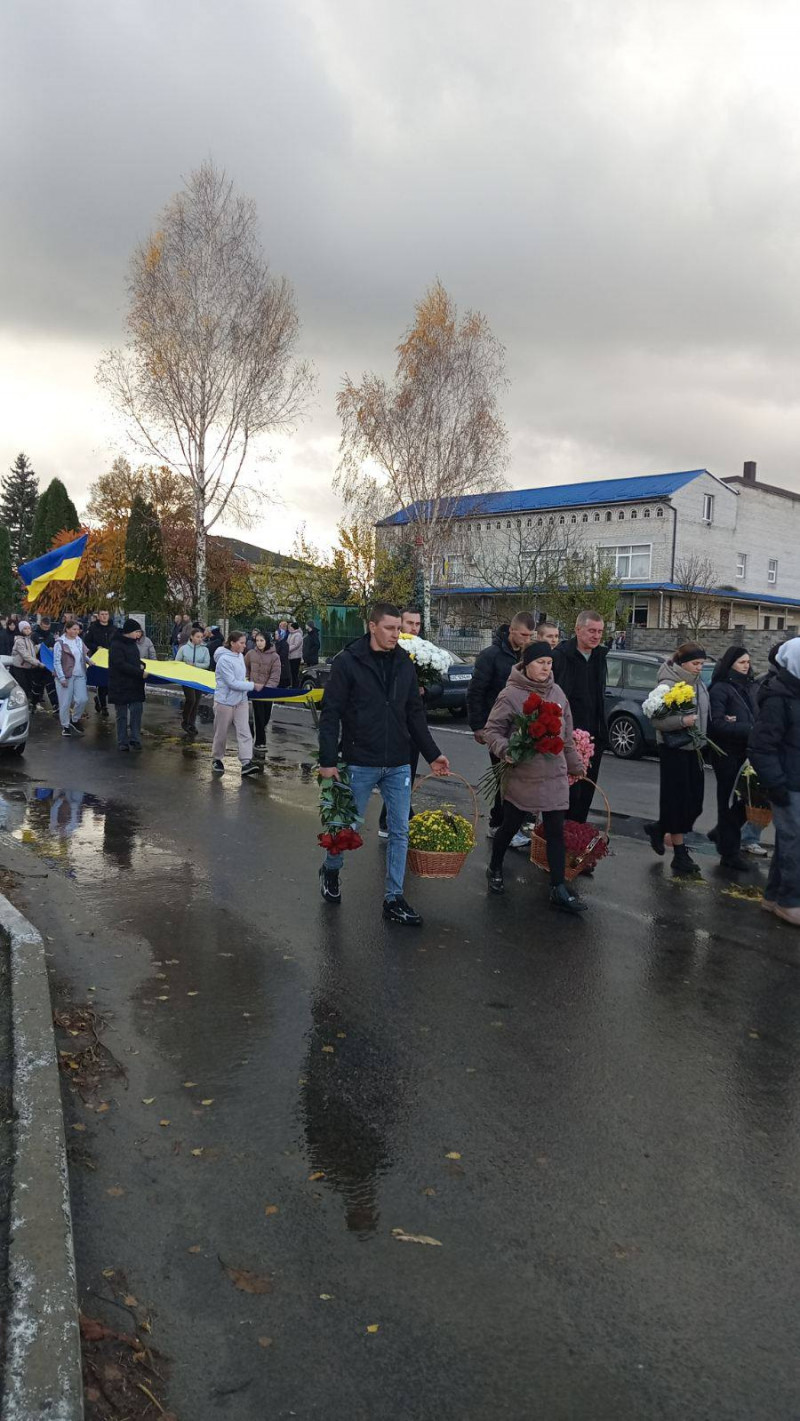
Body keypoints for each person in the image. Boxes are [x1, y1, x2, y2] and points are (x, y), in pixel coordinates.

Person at [317, 602, 449, 925]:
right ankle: (331, 870)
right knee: (346, 828)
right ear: (372, 626)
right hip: (359, 760)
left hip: (398, 763)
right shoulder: (348, 662)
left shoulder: (405, 663)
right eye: (390, 628)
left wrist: (433, 754)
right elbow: (331, 712)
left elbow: (414, 713)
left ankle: (393, 898)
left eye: (398, 629)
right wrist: (327, 761)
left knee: (400, 831)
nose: (396, 634)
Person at [483, 642, 588, 914]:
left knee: (555, 830)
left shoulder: (557, 693)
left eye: (549, 663)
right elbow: (492, 731)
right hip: (523, 774)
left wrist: (576, 765)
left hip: (554, 773)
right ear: (526, 663)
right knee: (510, 826)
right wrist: (506, 750)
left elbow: (566, 737)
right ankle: (495, 866)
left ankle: (558, 887)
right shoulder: (511, 694)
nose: (546, 667)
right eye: (540, 662)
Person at [467, 613, 536, 844]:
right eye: (524, 635)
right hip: (497, 728)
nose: (527, 639)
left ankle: (508, 825)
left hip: (521, 728)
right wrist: (478, 726)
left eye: (530, 636)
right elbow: (476, 691)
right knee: (503, 779)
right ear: (512, 631)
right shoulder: (491, 656)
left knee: (517, 780)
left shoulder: (525, 655)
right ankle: (498, 825)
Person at [643, 643, 711, 877]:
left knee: (695, 802)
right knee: (678, 801)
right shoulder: (668, 685)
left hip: (696, 749)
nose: (699, 668)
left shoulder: (698, 683)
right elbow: (656, 720)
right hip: (675, 750)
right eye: (695, 664)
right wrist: (682, 722)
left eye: (702, 664)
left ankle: (660, 827)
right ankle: (680, 854)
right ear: (683, 663)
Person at [748, 637, 800, 926]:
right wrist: (776, 784)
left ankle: (774, 897)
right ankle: (791, 901)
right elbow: (761, 746)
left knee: (789, 841)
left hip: (795, 779)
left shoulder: (794, 693)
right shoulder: (779, 698)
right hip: (787, 783)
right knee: (795, 842)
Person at [552, 610, 608, 823]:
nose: (596, 636)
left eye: (600, 632)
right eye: (591, 630)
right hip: (567, 736)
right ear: (577, 630)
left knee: (586, 790)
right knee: (566, 791)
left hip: (594, 737)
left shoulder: (600, 657)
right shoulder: (560, 656)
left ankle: (577, 836)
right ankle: (556, 837)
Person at [379, 606, 427, 838]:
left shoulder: (423, 651)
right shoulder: (389, 651)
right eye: (409, 624)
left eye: (417, 624)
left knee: (408, 770)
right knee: (394, 771)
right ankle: (391, 818)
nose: (413, 629)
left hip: (414, 723)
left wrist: (425, 689)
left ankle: (397, 815)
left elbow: (438, 685)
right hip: (392, 724)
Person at [709, 646, 758, 871]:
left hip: (746, 753)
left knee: (749, 799)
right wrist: (749, 728)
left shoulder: (749, 687)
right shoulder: (720, 689)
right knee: (728, 801)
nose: (746, 666)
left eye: (748, 662)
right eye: (741, 662)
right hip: (727, 753)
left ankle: (722, 833)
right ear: (730, 664)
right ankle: (729, 852)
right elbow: (717, 724)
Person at [211, 632, 263, 777]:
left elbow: (240, 679)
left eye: (244, 642)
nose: (244, 645)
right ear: (232, 643)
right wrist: (253, 686)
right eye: (241, 642)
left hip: (241, 700)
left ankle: (246, 762)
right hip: (225, 701)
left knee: (244, 730)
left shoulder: (240, 656)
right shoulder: (224, 660)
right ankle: (217, 759)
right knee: (221, 731)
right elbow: (232, 683)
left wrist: (248, 686)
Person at [109, 619, 147, 752]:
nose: (139, 635)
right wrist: (139, 672)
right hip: (120, 684)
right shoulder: (116, 644)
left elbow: (132, 660)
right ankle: (122, 741)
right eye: (137, 632)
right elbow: (120, 664)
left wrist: (141, 664)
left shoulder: (132, 643)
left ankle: (135, 739)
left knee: (137, 711)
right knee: (122, 714)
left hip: (134, 683)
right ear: (129, 631)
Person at [245, 631, 282, 751]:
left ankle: (258, 735)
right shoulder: (251, 654)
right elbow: (245, 667)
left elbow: (275, 674)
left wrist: (268, 687)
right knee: (259, 715)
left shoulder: (274, 656)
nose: (259, 643)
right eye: (257, 641)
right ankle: (260, 742)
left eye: (262, 640)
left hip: (268, 691)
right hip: (255, 690)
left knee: (265, 717)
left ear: (267, 641)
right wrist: (248, 680)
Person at [53, 621, 90, 737]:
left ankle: (75, 719)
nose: (76, 632)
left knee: (82, 699)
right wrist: (61, 677)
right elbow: (57, 661)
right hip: (66, 675)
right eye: (74, 629)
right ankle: (65, 726)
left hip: (80, 674)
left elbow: (82, 653)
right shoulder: (60, 643)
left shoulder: (78, 640)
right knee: (65, 702)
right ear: (67, 629)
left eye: (77, 629)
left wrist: (89, 660)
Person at [176, 625, 211, 736]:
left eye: (201, 637)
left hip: (199, 678)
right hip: (187, 678)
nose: (200, 639)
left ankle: (191, 723)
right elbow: (177, 662)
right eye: (197, 637)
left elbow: (206, 664)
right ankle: (185, 720)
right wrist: (185, 666)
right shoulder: (184, 648)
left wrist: (195, 665)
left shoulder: (205, 649)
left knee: (196, 702)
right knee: (191, 699)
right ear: (191, 637)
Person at [85, 609, 115, 717]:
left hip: (111, 658)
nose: (104, 616)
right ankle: (104, 706)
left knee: (111, 683)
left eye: (106, 614)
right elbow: (87, 641)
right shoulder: (93, 628)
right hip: (98, 658)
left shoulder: (113, 628)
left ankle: (98, 698)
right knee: (102, 683)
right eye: (102, 614)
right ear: (98, 616)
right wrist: (96, 647)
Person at [11, 621, 42, 706]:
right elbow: (25, 655)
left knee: (28, 688)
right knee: (23, 688)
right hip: (20, 668)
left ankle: (27, 705)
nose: (28, 630)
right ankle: (21, 706)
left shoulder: (29, 640)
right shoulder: (19, 641)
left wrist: (39, 646)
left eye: (29, 628)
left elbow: (32, 652)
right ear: (21, 630)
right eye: (25, 628)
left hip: (27, 668)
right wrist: (38, 663)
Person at [287, 621, 304, 686]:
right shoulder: (290, 634)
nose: (289, 628)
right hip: (290, 656)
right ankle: (292, 685)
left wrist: (288, 649)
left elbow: (296, 645)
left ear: (293, 627)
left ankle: (296, 686)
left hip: (296, 657)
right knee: (291, 672)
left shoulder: (298, 635)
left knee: (295, 672)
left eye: (290, 627)